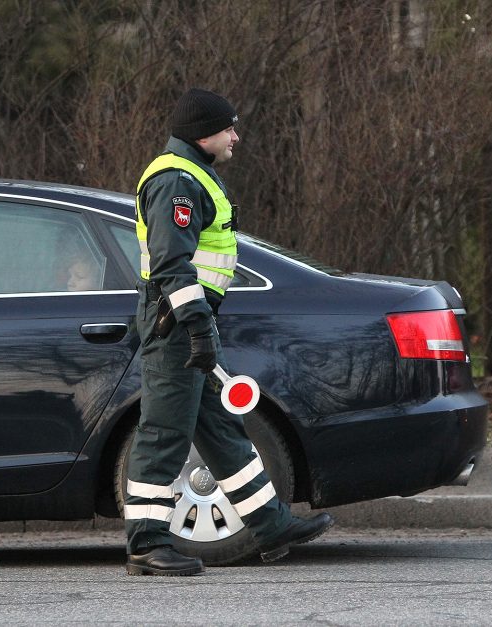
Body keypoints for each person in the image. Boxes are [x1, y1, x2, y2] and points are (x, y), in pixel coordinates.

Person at [124, 88, 334, 577]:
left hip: (188, 323)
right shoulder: (176, 180)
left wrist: (201, 327)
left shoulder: (192, 175)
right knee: (162, 434)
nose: (235, 136)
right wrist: (196, 328)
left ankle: (270, 524)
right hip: (177, 324)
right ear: (204, 133)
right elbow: (171, 265)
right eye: (229, 128)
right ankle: (146, 545)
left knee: (220, 429)